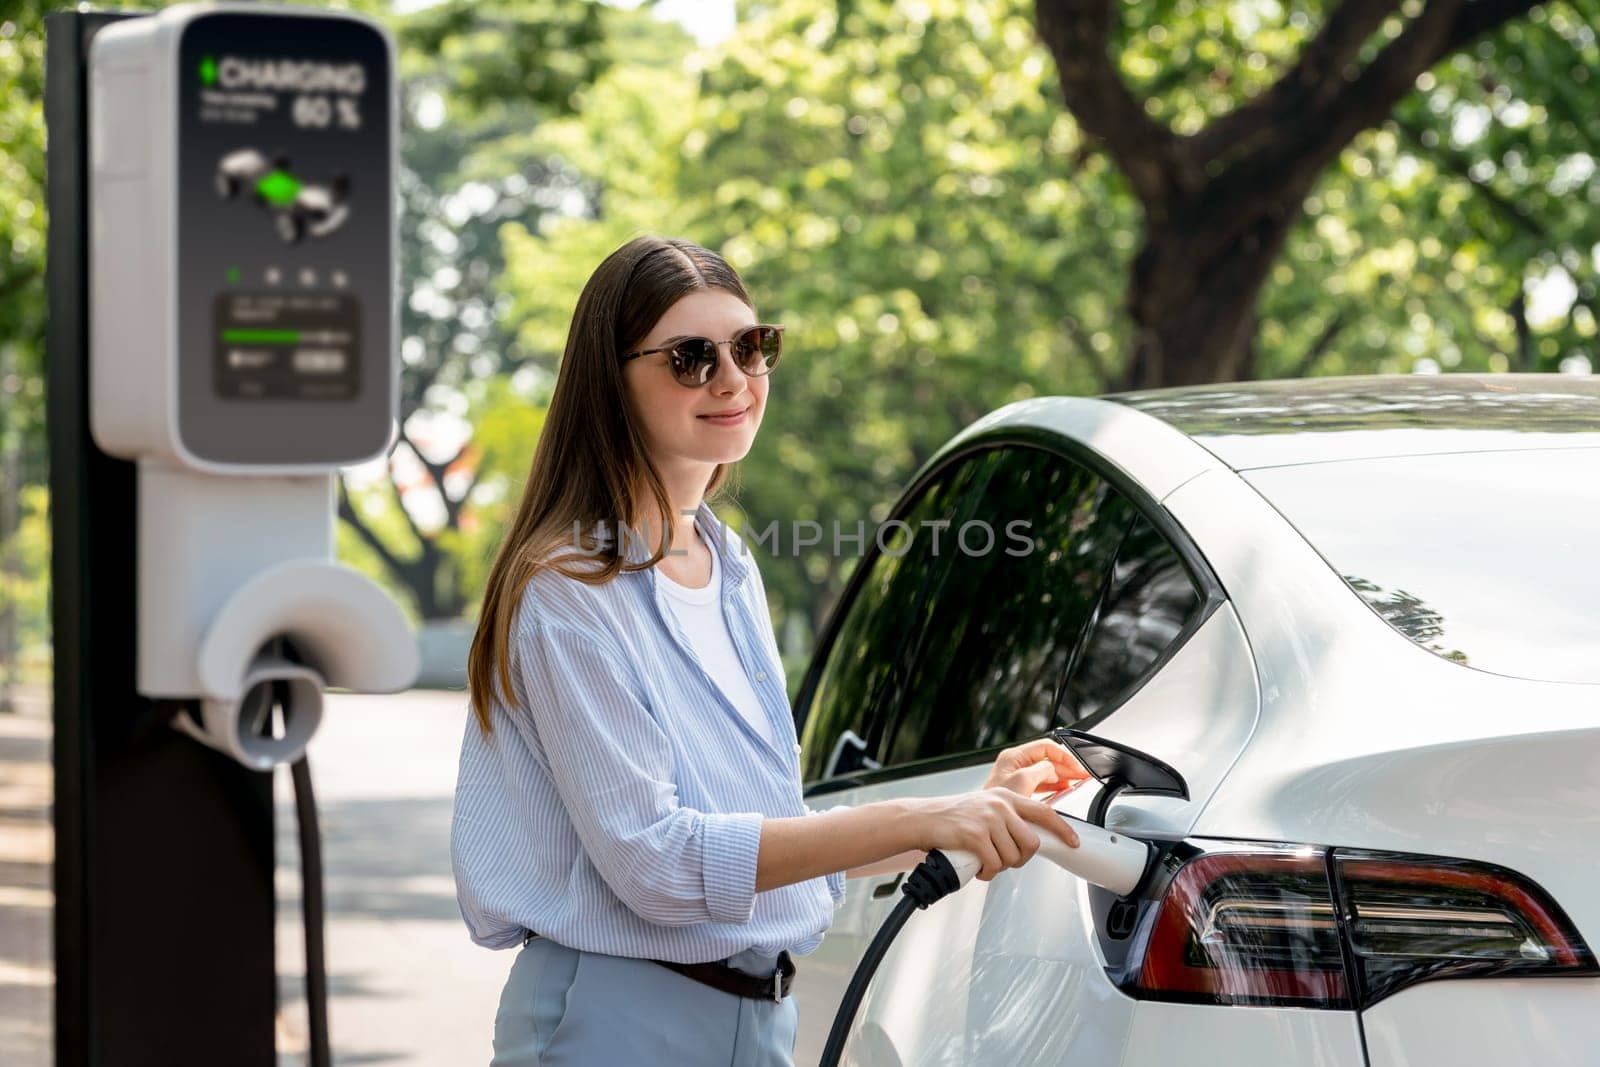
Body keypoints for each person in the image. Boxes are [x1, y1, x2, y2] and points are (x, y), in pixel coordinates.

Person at [451, 234, 1090, 1065]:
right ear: (613, 381)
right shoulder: (569, 591)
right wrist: (925, 816)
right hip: (613, 1020)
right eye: (690, 357)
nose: (733, 377)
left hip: (758, 1016)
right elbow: (658, 861)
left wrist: (972, 805)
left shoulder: (728, 566)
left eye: (752, 347)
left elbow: (766, 835)